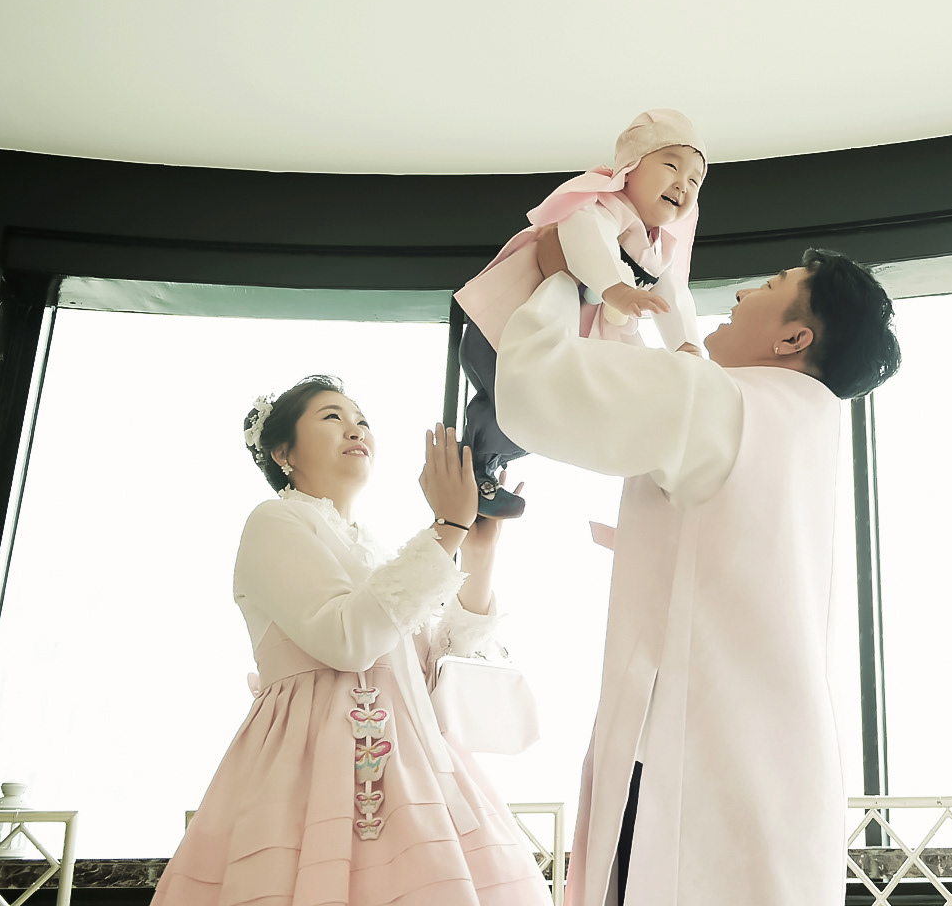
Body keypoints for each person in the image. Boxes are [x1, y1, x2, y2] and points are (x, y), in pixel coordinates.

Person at [497, 233, 902, 906]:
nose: (741, 292)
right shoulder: (807, 427)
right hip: (782, 767)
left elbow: (535, 386)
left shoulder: (721, 401)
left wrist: (564, 280)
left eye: (768, 286)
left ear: (793, 339)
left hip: (687, 760)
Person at [152, 376, 551, 906]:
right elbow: (347, 640)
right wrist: (446, 528)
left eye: (362, 419)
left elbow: (436, 669)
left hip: (411, 765)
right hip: (311, 765)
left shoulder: (377, 552)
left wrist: (476, 550)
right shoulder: (274, 520)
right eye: (332, 417)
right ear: (282, 453)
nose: (356, 428)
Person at [451, 109, 707, 518]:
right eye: (672, 166)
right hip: (506, 327)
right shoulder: (603, 206)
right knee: (513, 406)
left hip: (557, 337)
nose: (683, 184)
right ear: (630, 169)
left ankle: (483, 472)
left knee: (542, 414)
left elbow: (673, 293)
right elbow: (583, 233)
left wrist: (687, 345)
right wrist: (615, 288)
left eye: (695, 180)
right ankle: (474, 471)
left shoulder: (659, 249)